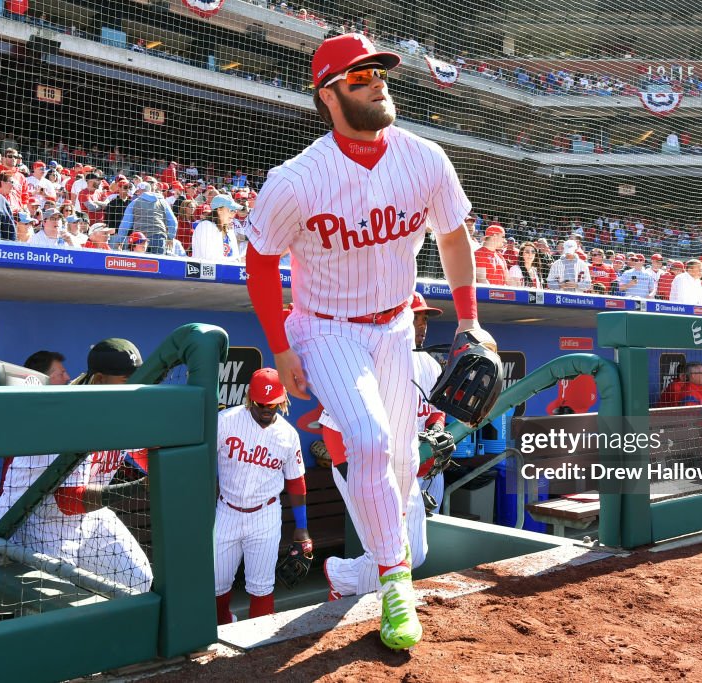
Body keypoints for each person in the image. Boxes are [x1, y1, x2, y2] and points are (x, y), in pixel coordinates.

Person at [244, 33, 488, 651]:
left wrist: (468, 319)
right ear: (328, 94)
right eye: (360, 77)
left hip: (396, 328)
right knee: (371, 439)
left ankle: (352, 572)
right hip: (324, 328)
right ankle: (395, 584)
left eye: (380, 72)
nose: (378, 82)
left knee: (403, 468)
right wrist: (280, 347)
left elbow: (454, 238)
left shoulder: (425, 157)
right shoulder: (296, 179)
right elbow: (259, 261)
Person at [0, 339, 153, 592]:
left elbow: (144, 450)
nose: (135, 387)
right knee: (61, 602)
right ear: (100, 379)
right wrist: (140, 487)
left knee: (140, 582)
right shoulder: (68, 415)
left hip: (89, 515)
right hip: (34, 520)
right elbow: (67, 500)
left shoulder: (123, 407)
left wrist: (161, 466)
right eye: (126, 380)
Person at [321, 293, 446, 600]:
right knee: (382, 553)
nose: (422, 325)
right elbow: (331, 426)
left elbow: (435, 411)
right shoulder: (368, 363)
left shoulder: (428, 364)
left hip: (405, 466)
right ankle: (369, 613)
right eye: (416, 317)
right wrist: (353, 474)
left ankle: (341, 578)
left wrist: (437, 428)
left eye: (425, 319)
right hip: (362, 465)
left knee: (414, 553)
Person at [214, 368, 309, 624]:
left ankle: (260, 645)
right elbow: (201, 462)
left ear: (284, 400)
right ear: (249, 398)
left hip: (265, 514)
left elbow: (296, 482)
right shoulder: (225, 421)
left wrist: (302, 528)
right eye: (261, 404)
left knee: (261, 585)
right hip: (227, 511)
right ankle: (223, 625)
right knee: (217, 583)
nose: (267, 409)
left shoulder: (288, 435)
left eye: (274, 404)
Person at [114, 181, 178, 254]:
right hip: (158, 237)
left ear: (140, 191)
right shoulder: (163, 202)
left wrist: (120, 241)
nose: (137, 193)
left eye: (137, 191)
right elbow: (173, 222)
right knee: (158, 264)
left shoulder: (134, 203)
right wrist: (170, 237)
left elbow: (125, 224)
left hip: (139, 240)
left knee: (141, 264)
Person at [192, 194, 240, 262]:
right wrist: (235, 260)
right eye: (231, 210)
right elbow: (209, 259)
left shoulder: (230, 231)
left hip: (227, 271)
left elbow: (236, 257)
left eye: (235, 211)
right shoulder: (205, 226)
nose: (234, 214)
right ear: (219, 210)